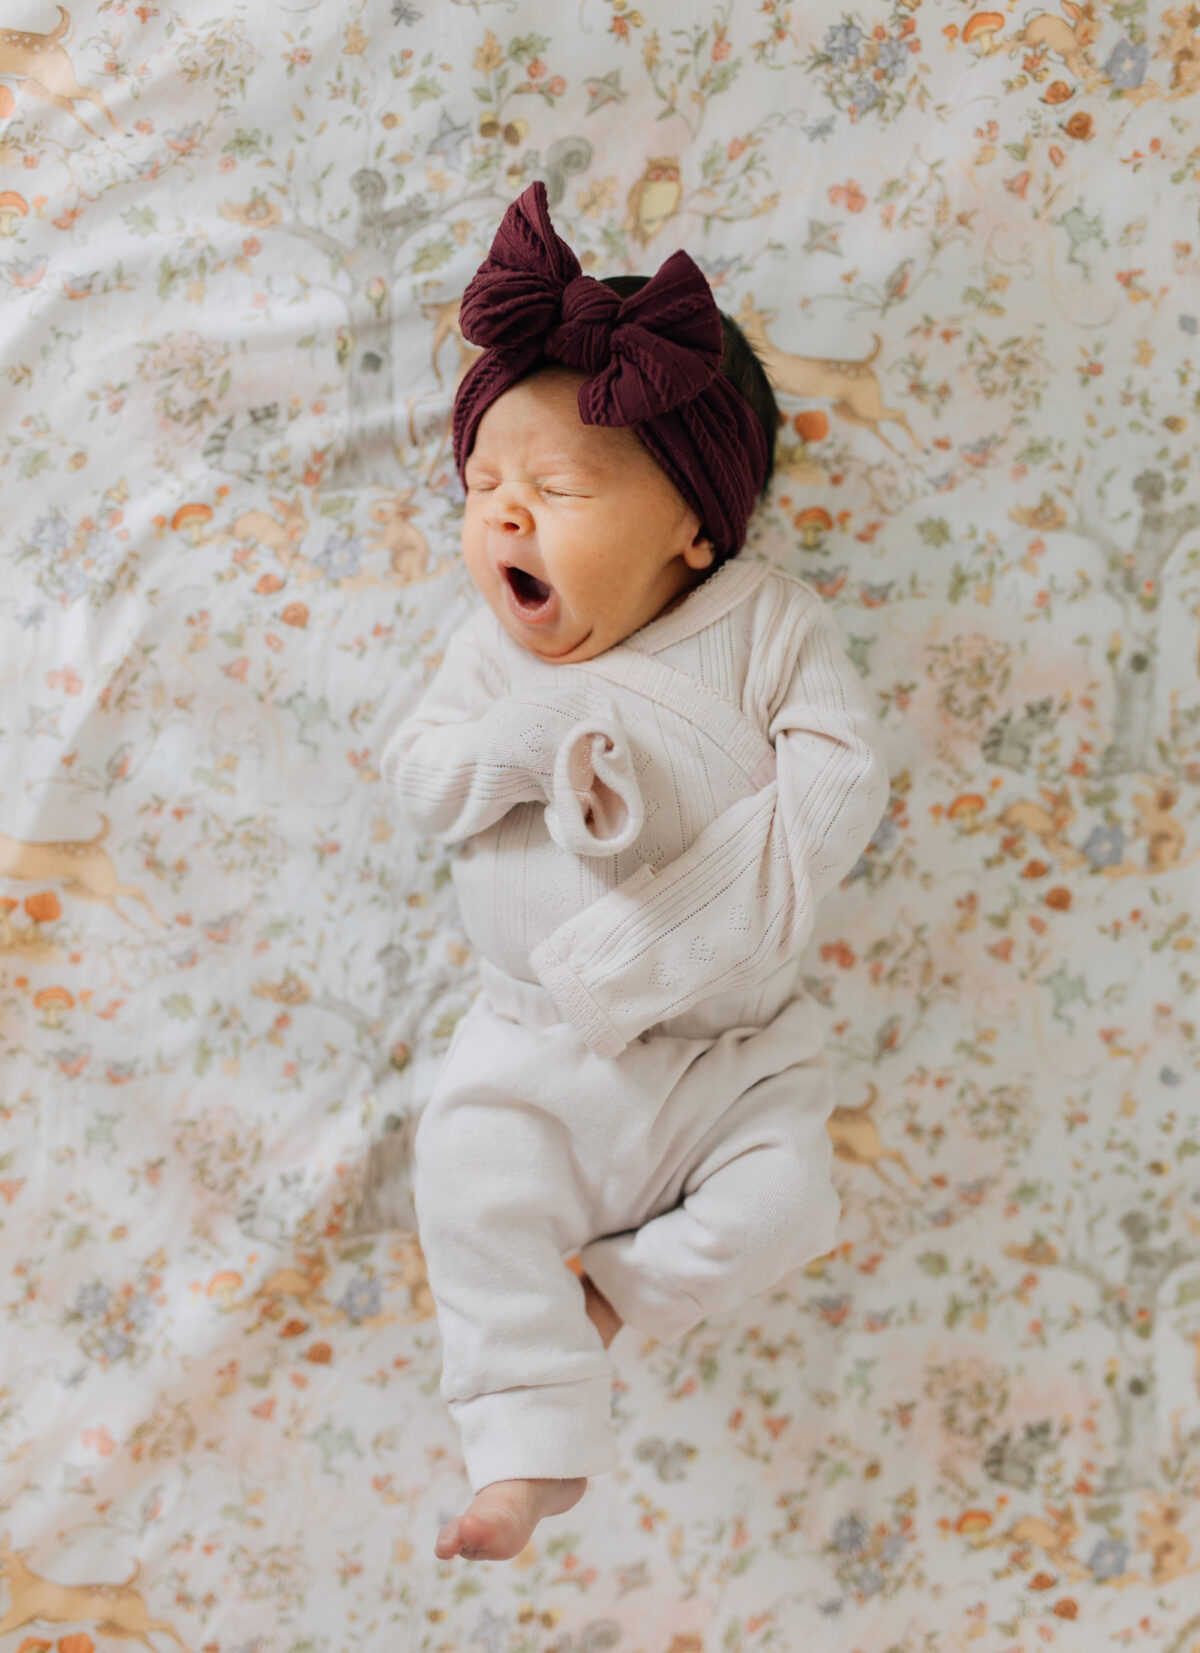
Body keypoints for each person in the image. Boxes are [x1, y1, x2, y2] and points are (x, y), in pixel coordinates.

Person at [381, 180, 890, 1564]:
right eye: (486, 487)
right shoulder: (485, 661)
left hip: (733, 1049)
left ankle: (615, 1292)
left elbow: (842, 777)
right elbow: (421, 777)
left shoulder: (766, 625)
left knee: (792, 1197)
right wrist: (528, 739)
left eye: (557, 489)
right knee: (466, 1176)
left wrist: (665, 931)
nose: (506, 521)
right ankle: (528, 1450)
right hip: (531, 1043)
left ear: (695, 525)